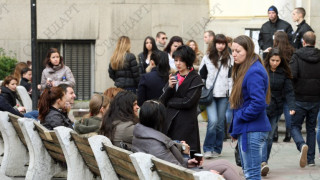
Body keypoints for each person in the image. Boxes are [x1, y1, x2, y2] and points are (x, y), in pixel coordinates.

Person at [132, 100, 242, 180]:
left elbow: (171, 164)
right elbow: (176, 171)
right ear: (158, 119)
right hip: (182, 175)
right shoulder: (156, 143)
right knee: (227, 167)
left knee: (226, 164)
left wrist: (188, 162)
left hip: (176, 171)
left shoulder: (141, 134)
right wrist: (206, 173)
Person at [229, 35, 271, 179]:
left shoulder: (254, 71)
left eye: (238, 51)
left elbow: (258, 103)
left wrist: (240, 117)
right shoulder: (246, 68)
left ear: (248, 50)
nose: (234, 54)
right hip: (248, 128)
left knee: (252, 174)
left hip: (253, 129)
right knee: (249, 172)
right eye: (233, 51)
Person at [160, 45, 203, 153]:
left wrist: (170, 102)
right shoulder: (174, 76)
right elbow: (162, 100)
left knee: (186, 154)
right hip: (170, 122)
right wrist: (169, 87)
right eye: (176, 60)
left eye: (181, 61)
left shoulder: (195, 79)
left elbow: (188, 102)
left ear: (188, 61)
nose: (178, 63)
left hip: (186, 123)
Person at [261, 48, 295, 176]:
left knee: (269, 137)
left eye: (277, 61)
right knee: (263, 136)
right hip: (262, 107)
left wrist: (292, 106)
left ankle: (264, 162)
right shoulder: (262, 70)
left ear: (281, 61)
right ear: (268, 59)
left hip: (276, 108)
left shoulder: (284, 73)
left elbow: (289, 91)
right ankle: (262, 161)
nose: (275, 63)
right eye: (272, 60)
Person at [199, 34, 234, 159]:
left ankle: (217, 148)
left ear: (225, 45)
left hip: (224, 95)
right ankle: (208, 148)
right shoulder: (207, 57)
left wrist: (231, 94)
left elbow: (231, 77)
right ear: (214, 44)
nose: (220, 45)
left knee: (220, 123)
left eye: (222, 43)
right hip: (210, 94)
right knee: (213, 121)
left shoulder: (229, 58)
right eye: (218, 43)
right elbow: (201, 75)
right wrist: (202, 89)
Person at [290, 31, 320, 167]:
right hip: (315, 99)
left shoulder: (296, 55)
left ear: (303, 41)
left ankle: (301, 145)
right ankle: (311, 159)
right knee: (311, 128)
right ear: (314, 42)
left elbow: (293, 75)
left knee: (294, 126)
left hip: (299, 97)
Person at [273, 31, 296, 142]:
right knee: (288, 109)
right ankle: (288, 134)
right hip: (288, 82)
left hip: (276, 82)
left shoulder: (274, 51)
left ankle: (275, 134)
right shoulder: (292, 51)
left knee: (275, 108)